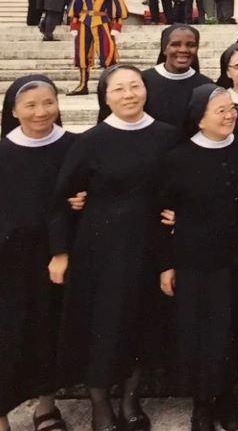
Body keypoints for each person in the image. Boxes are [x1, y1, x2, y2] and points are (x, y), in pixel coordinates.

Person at [50, 65, 181, 431]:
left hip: (148, 244)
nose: (129, 95)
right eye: (119, 89)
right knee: (102, 325)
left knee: (140, 321)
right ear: (105, 97)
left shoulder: (167, 136)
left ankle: (130, 400)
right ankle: (100, 405)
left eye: (135, 86)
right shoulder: (89, 141)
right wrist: (61, 249)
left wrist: (178, 213)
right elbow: (62, 199)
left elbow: (179, 186)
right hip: (100, 248)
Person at [0, 76, 75, 431]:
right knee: (0, 339)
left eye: (48, 102)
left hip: (53, 261)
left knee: (48, 335)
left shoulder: (74, 148)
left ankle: (46, 409)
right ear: (13, 111)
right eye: (30, 105)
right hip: (4, 265)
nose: (41, 112)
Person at [156, 84, 238, 431]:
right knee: (198, 329)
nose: (229, 115)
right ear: (199, 118)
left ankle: (226, 395)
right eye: (220, 110)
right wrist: (167, 263)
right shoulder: (178, 158)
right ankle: (202, 402)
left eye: (232, 108)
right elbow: (163, 215)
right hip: (193, 261)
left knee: (229, 328)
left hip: (233, 259)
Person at [66, 0, 128, 96]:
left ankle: (112, 85)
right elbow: (76, 8)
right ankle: (83, 85)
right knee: (82, 54)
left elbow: (117, 8)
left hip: (103, 22)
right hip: (84, 22)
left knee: (107, 53)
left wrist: (116, 26)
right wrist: (74, 25)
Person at [141, 25, 212, 127]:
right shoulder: (143, 81)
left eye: (191, 45)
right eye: (175, 44)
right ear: (164, 49)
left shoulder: (205, 85)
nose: (183, 49)